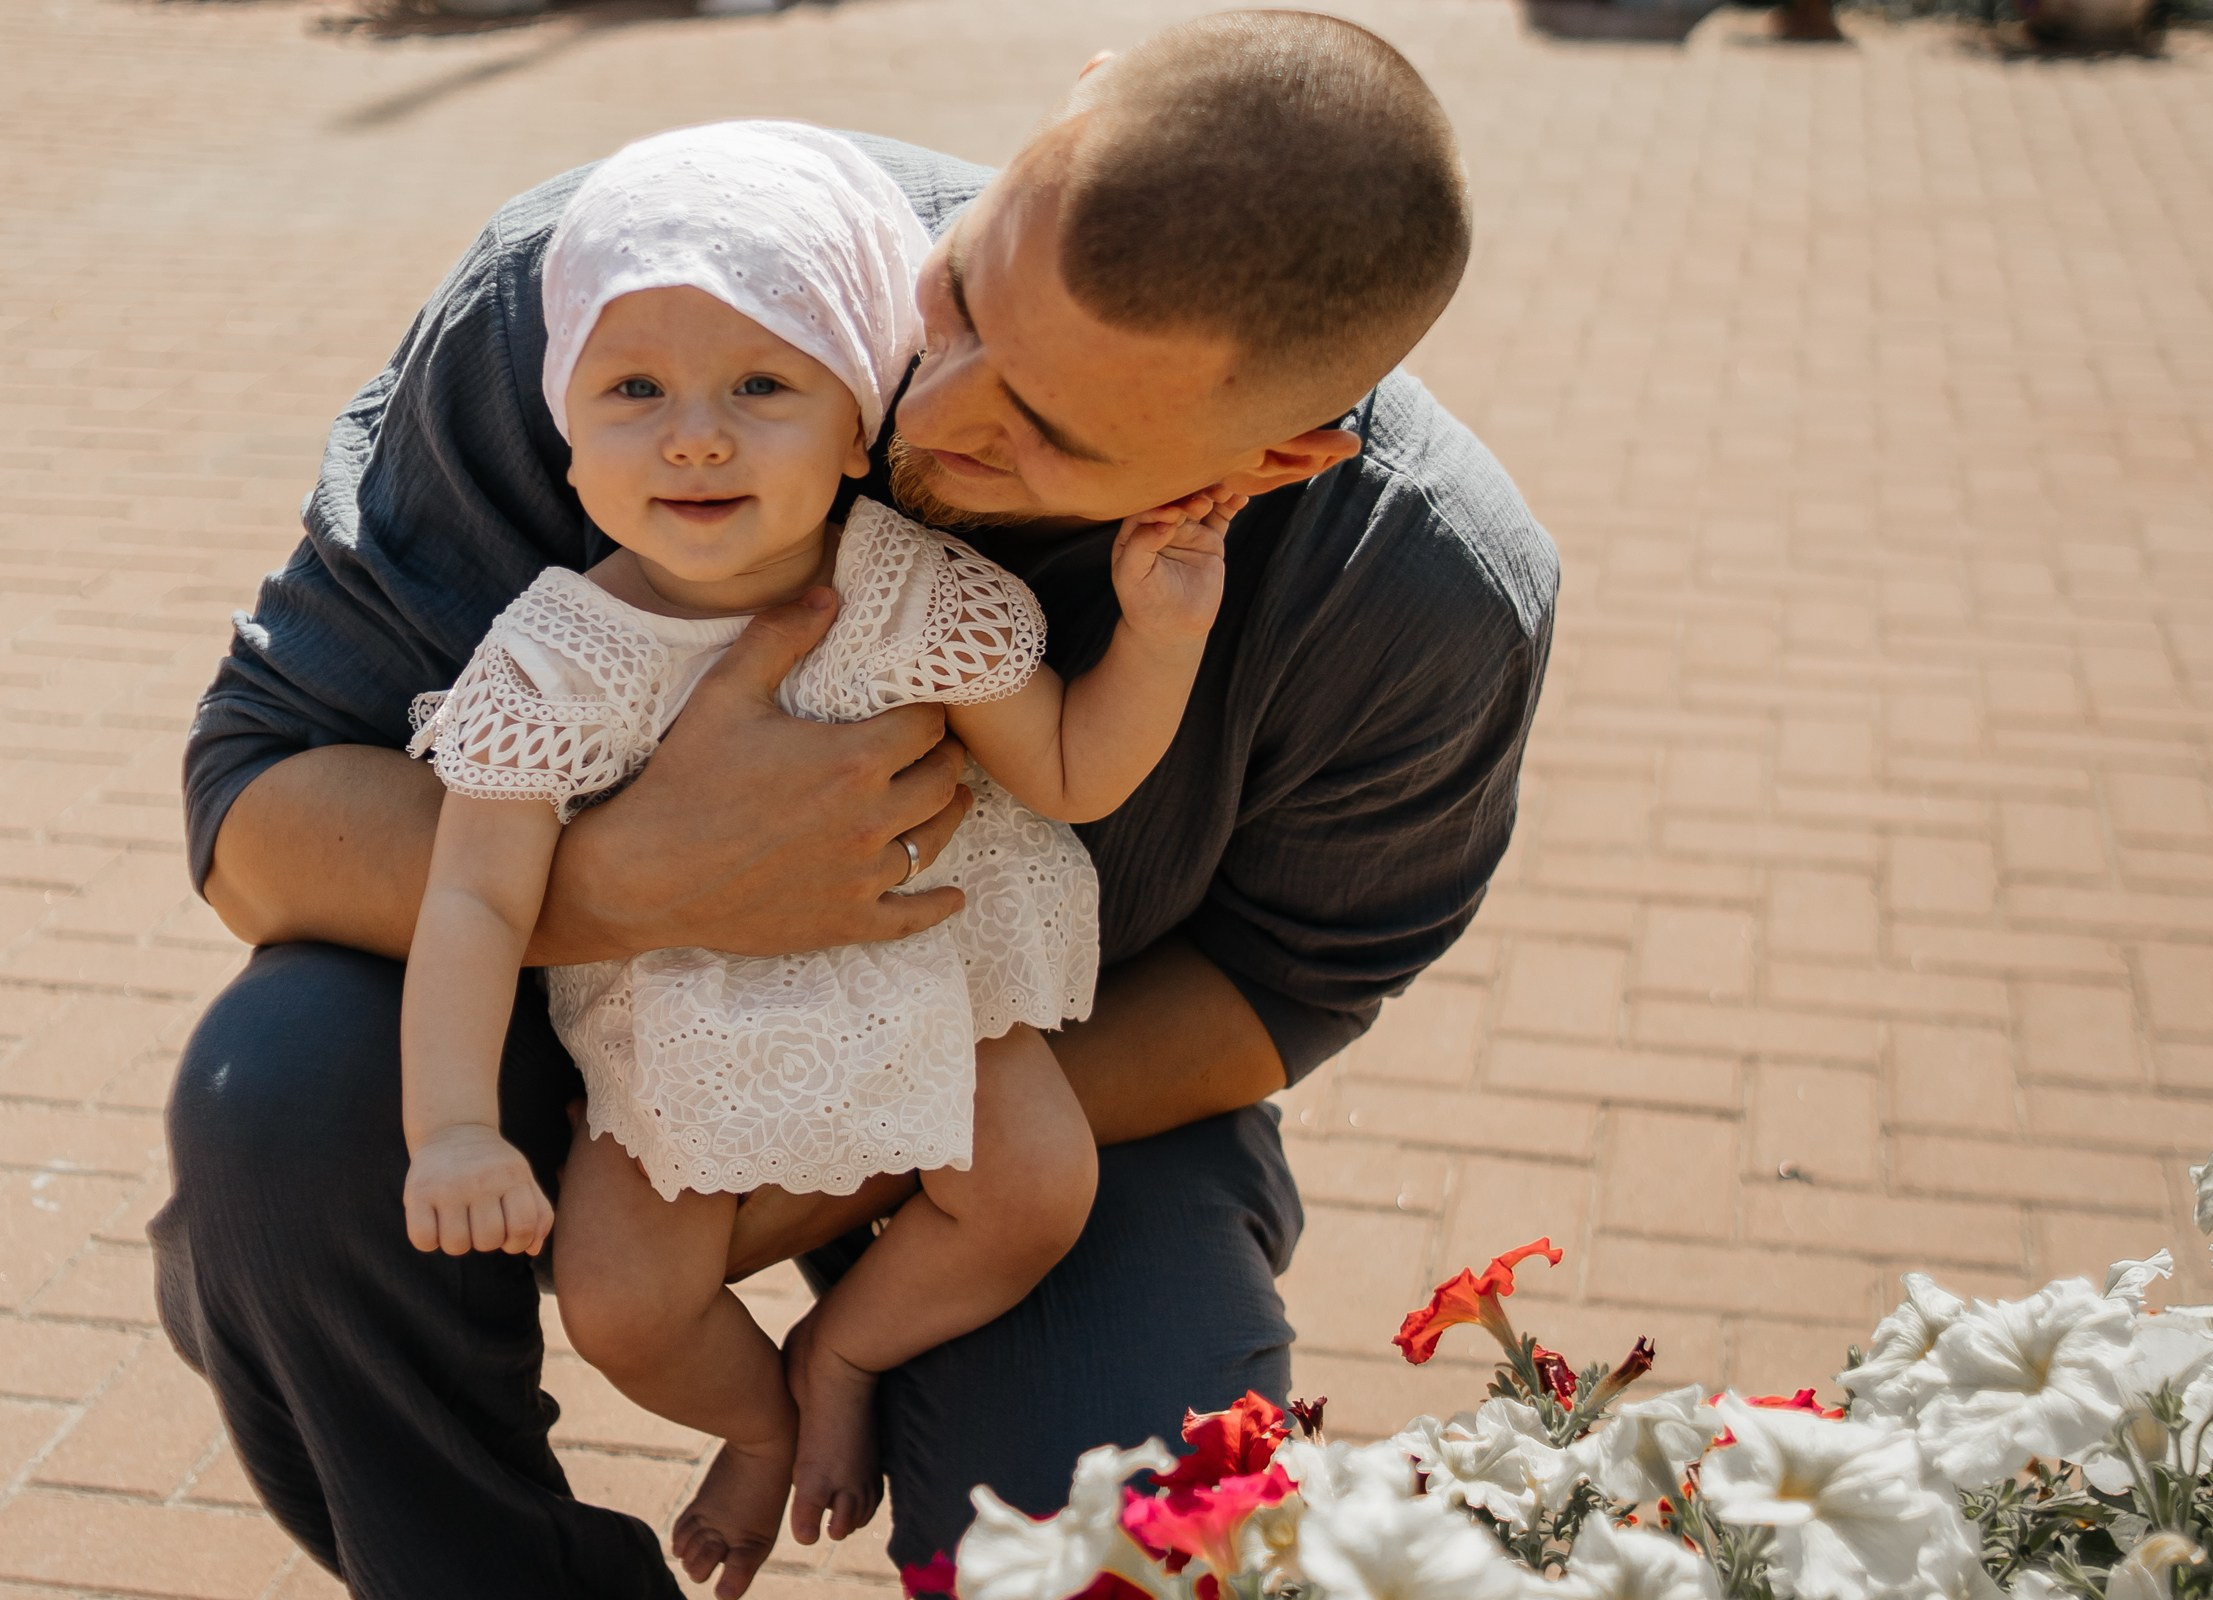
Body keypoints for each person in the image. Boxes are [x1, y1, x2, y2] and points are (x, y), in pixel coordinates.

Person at [155, 11, 1557, 1598]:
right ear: (1074, 98)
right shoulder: (637, 297)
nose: (935, 406)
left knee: (1128, 1536)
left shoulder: (1429, 597)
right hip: (599, 1032)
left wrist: (868, 1104)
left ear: (1283, 453)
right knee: (274, 1105)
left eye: (1047, 435)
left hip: (1043, 1076)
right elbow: (257, 806)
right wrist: (636, 881)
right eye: (960, 297)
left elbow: (1275, 992)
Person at [396, 121, 1243, 1599]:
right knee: (617, 1302)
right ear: (568, 433)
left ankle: (843, 1348)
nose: (698, 435)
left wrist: (1161, 636)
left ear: (860, 428)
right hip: (680, 1027)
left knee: (1040, 1187)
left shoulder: (912, 591)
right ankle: (753, 1418)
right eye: (635, 391)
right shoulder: (553, 659)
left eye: (764, 388)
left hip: (931, 977)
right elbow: (472, 897)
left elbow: (1069, 771)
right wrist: (456, 1129)